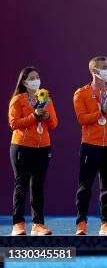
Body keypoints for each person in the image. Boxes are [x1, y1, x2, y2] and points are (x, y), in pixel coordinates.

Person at [73, 56, 107, 235]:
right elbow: (82, 119)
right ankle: (81, 223)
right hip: (90, 145)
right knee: (85, 186)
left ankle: (106, 224)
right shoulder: (81, 93)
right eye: (104, 67)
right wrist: (101, 110)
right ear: (94, 71)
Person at [8, 67, 58, 236]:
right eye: (32, 78)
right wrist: (34, 115)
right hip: (22, 146)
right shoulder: (18, 99)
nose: (36, 80)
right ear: (24, 82)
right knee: (21, 185)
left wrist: (47, 117)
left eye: (38, 77)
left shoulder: (46, 98)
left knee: (37, 186)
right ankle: (18, 224)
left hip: (43, 147)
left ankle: (38, 224)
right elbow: (14, 123)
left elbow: (54, 124)